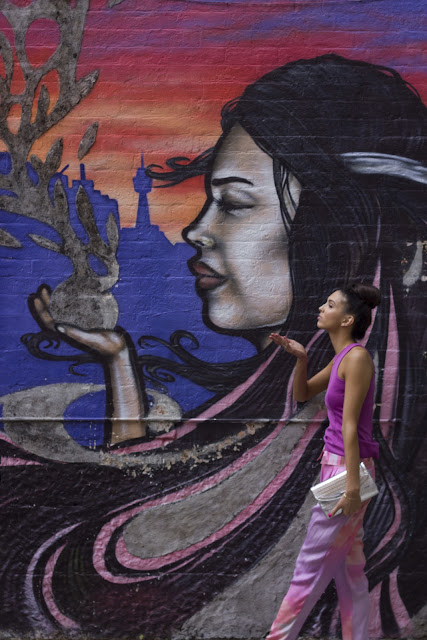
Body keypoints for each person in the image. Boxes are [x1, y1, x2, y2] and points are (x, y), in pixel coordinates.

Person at [8, 54, 426, 634]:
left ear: (339, 229)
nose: (195, 230)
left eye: (233, 203)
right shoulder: (269, 412)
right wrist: (119, 360)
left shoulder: (356, 459)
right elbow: (143, 495)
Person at [267, 282, 381, 640]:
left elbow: (350, 427)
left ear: (347, 319)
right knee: (350, 570)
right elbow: (303, 394)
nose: (321, 308)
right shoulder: (341, 358)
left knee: (309, 566)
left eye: (330, 304)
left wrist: (352, 489)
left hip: (347, 472)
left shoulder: (357, 358)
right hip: (338, 467)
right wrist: (301, 359)